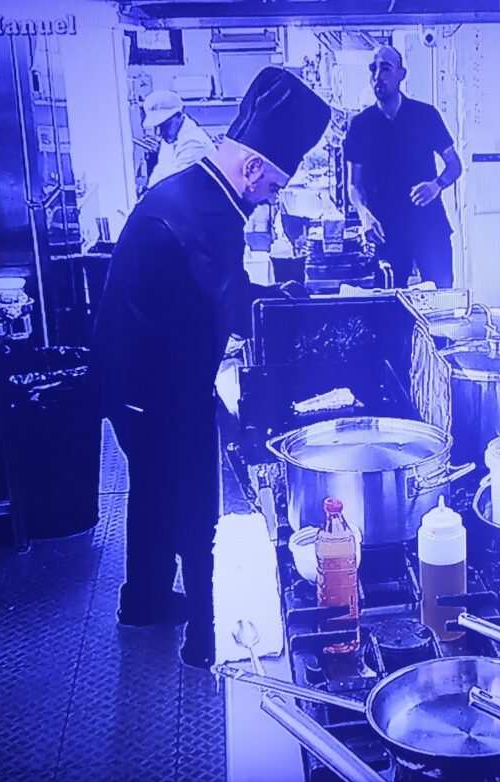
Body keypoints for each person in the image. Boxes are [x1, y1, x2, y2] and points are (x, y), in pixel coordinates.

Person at [93, 68, 330, 668]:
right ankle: (206, 636)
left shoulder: (200, 190)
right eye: (273, 185)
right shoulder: (207, 214)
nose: (272, 197)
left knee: (152, 489)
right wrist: (286, 324)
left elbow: (222, 288)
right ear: (251, 169)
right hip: (159, 385)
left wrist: (279, 295)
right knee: (194, 501)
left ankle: (143, 601)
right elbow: (220, 304)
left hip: (130, 377)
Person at [343, 45, 463, 289]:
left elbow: (454, 165)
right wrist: (364, 215)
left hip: (428, 225)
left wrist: (436, 186)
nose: (377, 76)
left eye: (386, 68)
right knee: (387, 302)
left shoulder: (426, 116)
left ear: (401, 74)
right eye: (373, 69)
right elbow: (354, 185)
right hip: (385, 230)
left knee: (442, 299)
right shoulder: (360, 125)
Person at [141, 90, 218, 190]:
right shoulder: (170, 137)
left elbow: (175, 183)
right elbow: (160, 171)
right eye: (156, 127)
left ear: (178, 115)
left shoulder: (194, 143)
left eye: (164, 125)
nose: (159, 133)